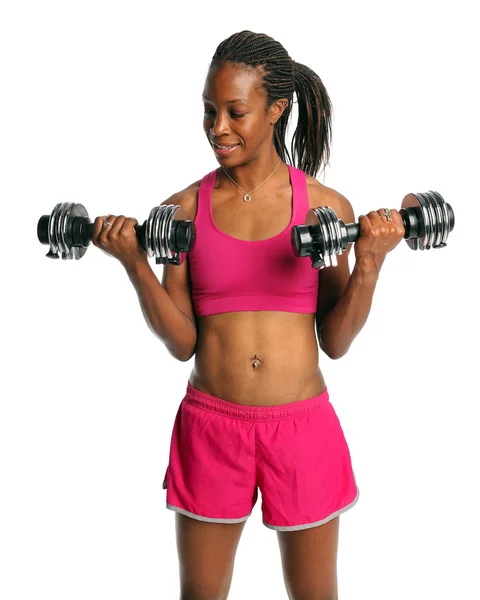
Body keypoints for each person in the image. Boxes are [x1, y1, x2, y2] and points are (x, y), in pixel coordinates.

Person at [92, 30, 405, 600]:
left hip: (302, 427)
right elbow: (182, 341)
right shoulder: (181, 212)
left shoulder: (325, 209)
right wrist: (135, 263)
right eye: (209, 111)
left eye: (235, 112)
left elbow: (335, 341)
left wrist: (370, 264)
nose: (218, 128)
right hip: (211, 425)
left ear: (276, 109)